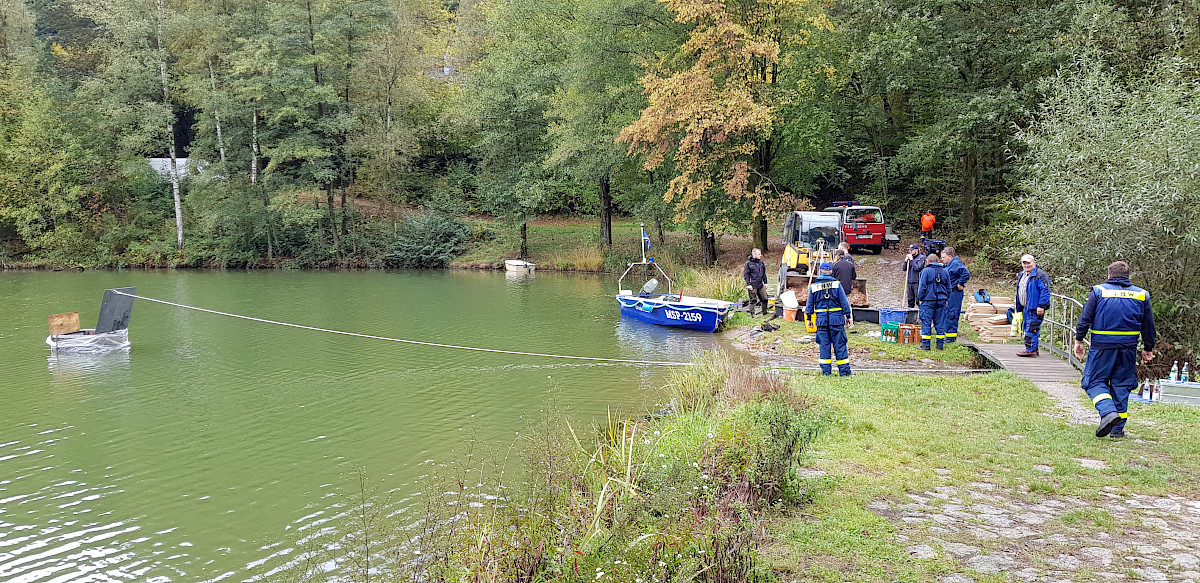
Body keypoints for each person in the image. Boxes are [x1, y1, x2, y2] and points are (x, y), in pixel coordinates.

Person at [1074, 261, 1156, 438]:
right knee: (1122, 384)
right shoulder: (1142, 295)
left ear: (1109, 275)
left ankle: (1108, 412)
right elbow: (1148, 326)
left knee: (1093, 382)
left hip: (1102, 347)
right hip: (1128, 347)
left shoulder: (1099, 291)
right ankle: (1117, 430)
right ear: (1128, 276)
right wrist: (1148, 348)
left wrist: (1079, 339)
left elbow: (1085, 319)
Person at [804, 262, 852, 376]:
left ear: (820, 272)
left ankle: (826, 372)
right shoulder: (837, 284)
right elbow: (844, 302)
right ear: (831, 272)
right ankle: (844, 372)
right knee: (840, 345)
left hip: (821, 322)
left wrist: (809, 318)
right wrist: (848, 316)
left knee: (824, 346)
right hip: (837, 320)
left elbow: (809, 305)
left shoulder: (814, 286)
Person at [1015, 254, 1051, 357]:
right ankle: (1032, 349)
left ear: (1034, 262)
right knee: (1027, 328)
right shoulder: (1023, 274)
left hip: (1035, 308)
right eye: (1024, 263)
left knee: (1032, 329)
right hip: (1026, 307)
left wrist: (1042, 306)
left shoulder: (1040, 275)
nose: (1026, 265)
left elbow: (1045, 291)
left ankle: (1031, 350)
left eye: (1028, 263)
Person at [916, 253, 950, 350]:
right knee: (940, 323)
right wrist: (946, 298)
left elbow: (922, 287)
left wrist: (920, 298)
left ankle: (926, 345)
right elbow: (949, 287)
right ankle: (940, 345)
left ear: (928, 262)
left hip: (928, 300)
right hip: (941, 301)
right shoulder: (945, 271)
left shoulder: (925, 271)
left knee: (926, 322)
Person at [940, 247, 970, 343]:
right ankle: (946, 333)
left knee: (951, 313)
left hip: (955, 293)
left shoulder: (956, 264)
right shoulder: (949, 265)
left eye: (944, 257)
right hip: (949, 293)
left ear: (950, 256)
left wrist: (960, 284)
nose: (942, 259)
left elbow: (965, 273)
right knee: (946, 312)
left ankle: (950, 337)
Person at [743, 248, 769, 316]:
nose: (760, 255)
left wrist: (765, 283)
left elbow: (764, 273)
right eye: (759, 254)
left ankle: (765, 312)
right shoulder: (748, 264)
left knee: (765, 299)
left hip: (760, 285)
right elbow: (746, 275)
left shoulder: (761, 263)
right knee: (753, 300)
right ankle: (752, 314)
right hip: (752, 285)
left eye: (760, 254)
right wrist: (748, 284)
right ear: (754, 254)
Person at [902, 244, 925, 308]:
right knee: (910, 300)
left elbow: (917, 268)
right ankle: (910, 315)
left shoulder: (921, 258)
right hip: (909, 281)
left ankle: (920, 314)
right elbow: (904, 269)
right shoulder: (909, 258)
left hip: (917, 281)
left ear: (916, 250)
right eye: (910, 250)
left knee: (918, 300)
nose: (910, 251)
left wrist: (912, 260)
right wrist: (906, 261)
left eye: (912, 250)